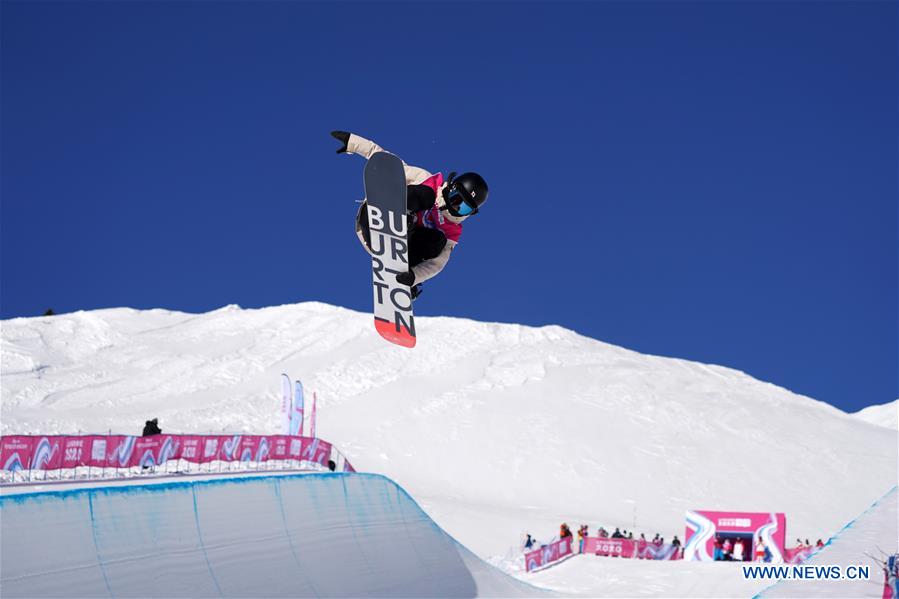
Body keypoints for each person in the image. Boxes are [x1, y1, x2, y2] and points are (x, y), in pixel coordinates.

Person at [331, 131, 489, 300]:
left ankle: (402, 274)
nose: (455, 206)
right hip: (371, 218)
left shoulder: (452, 231)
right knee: (426, 194)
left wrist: (413, 277)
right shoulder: (428, 181)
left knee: (438, 242)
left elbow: (437, 264)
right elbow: (391, 165)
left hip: (403, 246)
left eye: (463, 207)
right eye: (455, 198)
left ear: (470, 213)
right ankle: (396, 214)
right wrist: (354, 143)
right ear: (450, 187)